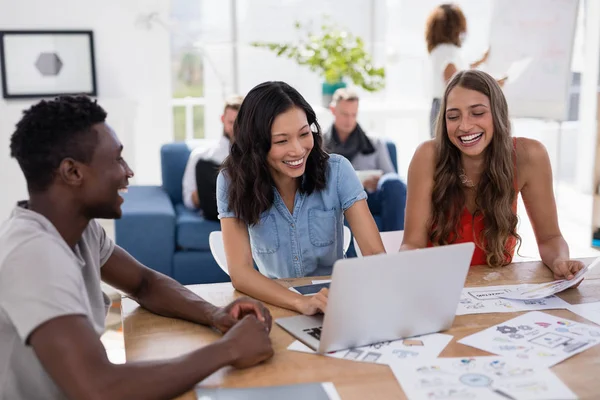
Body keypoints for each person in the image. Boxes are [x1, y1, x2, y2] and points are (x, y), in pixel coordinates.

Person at [0, 96, 274, 400]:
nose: (127, 171)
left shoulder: (80, 229)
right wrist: (230, 349)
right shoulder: (33, 256)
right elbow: (99, 388)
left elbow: (145, 283)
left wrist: (215, 314)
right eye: (117, 159)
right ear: (73, 172)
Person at [217, 81, 386, 315]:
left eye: (304, 134)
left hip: (335, 302)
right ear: (256, 145)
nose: (297, 150)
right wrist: (300, 303)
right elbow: (240, 272)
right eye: (281, 141)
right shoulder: (231, 181)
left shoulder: (337, 171)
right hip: (274, 301)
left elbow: (375, 255)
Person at [400, 69, 584, 280]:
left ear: (498, 113)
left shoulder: (529, 156)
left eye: (477, 113)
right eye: (453, 116)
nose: (465, 125)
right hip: (438, 285)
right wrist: (406, 265)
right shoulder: (428, 156)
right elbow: (412, 243)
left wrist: (560, 261)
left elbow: (550, 237)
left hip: (496, 289)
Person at [324, 88, 407, 232]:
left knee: (393, 183)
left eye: (353, 115)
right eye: (344, 114)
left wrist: (378, 181)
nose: (349, 120)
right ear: (333, 110)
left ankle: (395, 246)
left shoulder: (374, 143)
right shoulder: (320, 144)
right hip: (340, 201)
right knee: (344, 201)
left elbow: (391, 177)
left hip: (371, 197)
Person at [425, 3, 495, 138]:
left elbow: (460, 72)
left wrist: (479, 61)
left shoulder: (439, 50)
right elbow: (455, 81)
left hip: (439, 105)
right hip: (448, 107)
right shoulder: (449, 52)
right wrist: (491, 85)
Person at [182, 95, 243, 220]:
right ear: (222, 119)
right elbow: (188, 199)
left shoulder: (255, 154)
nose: (235, 129)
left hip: (246, 206)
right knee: (204, 166)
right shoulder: (202, 154)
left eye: (239, 124)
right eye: (231, 123)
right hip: (214, 208)